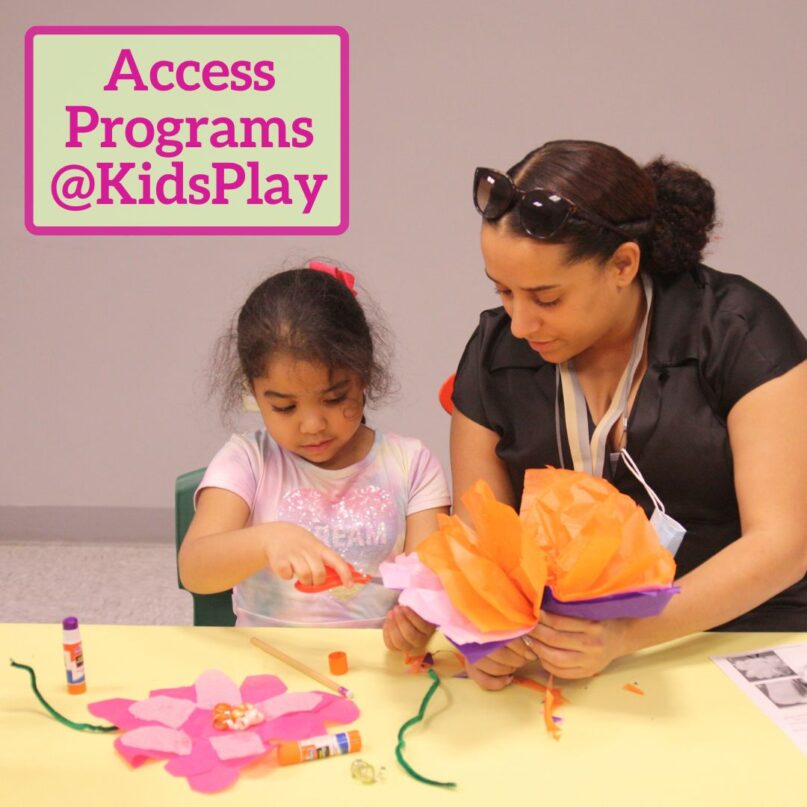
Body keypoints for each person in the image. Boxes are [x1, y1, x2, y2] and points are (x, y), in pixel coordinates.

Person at [451, 140, 807, 689]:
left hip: (745, 641)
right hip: (567, 657)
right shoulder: (496, 351)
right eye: (503, 292)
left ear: (623, 264)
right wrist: (485, 625)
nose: (520, 324)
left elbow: (783, 545)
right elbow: (481, 533)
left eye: (546, 299)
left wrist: (626, 636)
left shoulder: (739, 331)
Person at [179, 262, 449, 643]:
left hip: (379, 664)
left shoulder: (412, 465)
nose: (312, 425)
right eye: (285, 407)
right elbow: (195, 569)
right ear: (254, 392)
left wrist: (419, 620)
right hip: (270, 662)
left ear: (364, 373)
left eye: (334, 398)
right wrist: (267, 540)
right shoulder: (248, 459)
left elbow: (430, 582)